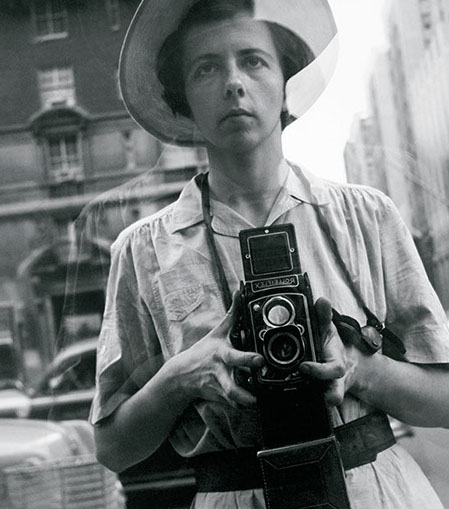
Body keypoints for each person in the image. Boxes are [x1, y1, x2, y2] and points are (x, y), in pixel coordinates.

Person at [90, 0, 449, 507]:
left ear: (285, 82)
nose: (233, 83)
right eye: (206, 68)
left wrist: (362, 370)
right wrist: (181, 378)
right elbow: (112, 448)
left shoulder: (365, 216)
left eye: (253, 60)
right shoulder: (144, 250)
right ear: (183, 98)